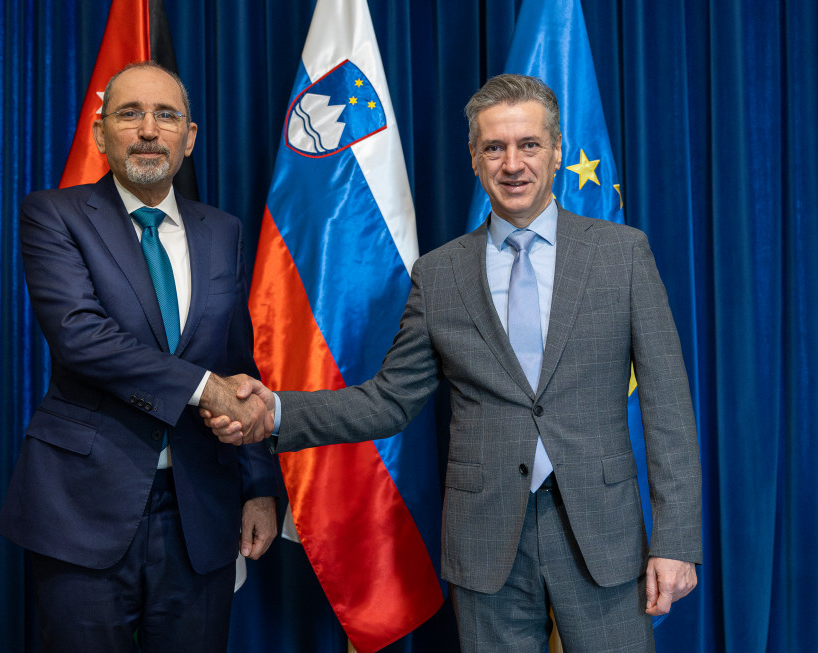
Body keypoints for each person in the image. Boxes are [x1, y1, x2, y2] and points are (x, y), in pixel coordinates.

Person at [206, 74, 701, 652]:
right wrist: (277, 411)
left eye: (529, 145)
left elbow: (667, 405)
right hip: (487, 539)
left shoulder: (622, 254)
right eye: (495, 147)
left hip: (603, 533)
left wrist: (676, 539)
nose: (512, 163)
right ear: (473, 157)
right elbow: (389, 400)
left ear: (558, 150)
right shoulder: (439, 275)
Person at [0, 61, 279, 653]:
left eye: (166, 116)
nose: (149, 130)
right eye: (129, 114)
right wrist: (204, 387)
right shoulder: (55, 215)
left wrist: (258, 485)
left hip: (201, 510)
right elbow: (81, 337)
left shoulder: (221, 230)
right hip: (84, 508)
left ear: (190, 137)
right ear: (101, 133)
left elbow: (238, 360)